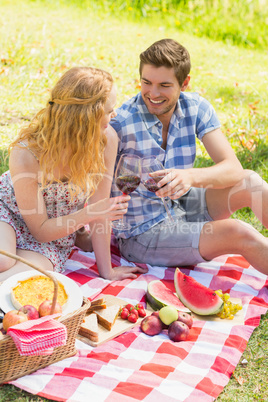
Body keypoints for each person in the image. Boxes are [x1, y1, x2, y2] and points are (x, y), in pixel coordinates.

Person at [109, 38, 268, 276]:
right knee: (238, 232)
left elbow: (233, 168)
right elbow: (92, 183)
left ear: (184, 83)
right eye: (146, 82)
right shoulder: (121, 123)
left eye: (164, 85)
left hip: (182, 208)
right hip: (142, 234)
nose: (153, 93)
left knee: (251, 183)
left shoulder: (195, 108)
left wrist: (190, 176)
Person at [0, 66, 147, 282]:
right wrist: (91, 213)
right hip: (9, 213)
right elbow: (42, 228)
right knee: (3, 261)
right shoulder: (27, 153)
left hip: (55, 234)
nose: (113, 115)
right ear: (87, 117)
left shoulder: (106, 141)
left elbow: (100, 213)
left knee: (31, 276)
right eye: (108, 110)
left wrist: (106, 271)